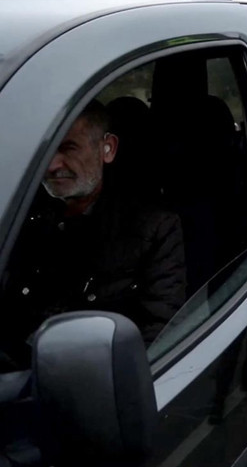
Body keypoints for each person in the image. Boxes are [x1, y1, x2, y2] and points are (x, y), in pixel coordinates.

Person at [0, 100, 186, 370]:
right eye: (45, 150)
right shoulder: (18, 213)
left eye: (68, 148)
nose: (52, 165)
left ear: (107, 148)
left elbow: (157, 337)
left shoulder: (153, 228)